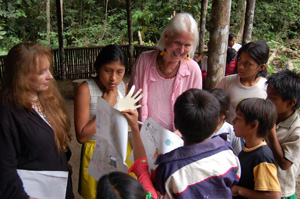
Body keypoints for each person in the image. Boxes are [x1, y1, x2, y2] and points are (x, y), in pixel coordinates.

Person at [0, 43, 74, 198]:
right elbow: (4, 169)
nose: (50, 76)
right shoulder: (7, 113)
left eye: (49, 69)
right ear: (22, 76)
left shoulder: (47, 98)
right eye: (42, 72)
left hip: (58, 188)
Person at [153, 89, 240, 198]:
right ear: (215, 125)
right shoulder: (227, 151)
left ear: (175, 124)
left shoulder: (168, 168)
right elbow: (234, 179)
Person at [129, 13, 202, 133]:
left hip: (178, 142)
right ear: (166, 36)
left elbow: (196, 112)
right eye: (177, 43)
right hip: (145, 137)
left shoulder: (193, 70)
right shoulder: (144, 61)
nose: (182, 50)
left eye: (187, 45)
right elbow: (132, 99)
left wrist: (180, 133)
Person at [74, 45, 128, 199]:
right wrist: (106, 107)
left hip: (120, 149)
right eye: (107, 70)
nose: (113, 78)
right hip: (95, 152)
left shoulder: (123, 87)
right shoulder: (86, 90)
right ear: (98, 68)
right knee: (97, 195)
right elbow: (82, 136)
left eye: (119, 72)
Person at [231, 98, 281, 199]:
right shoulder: (248, 148)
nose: (233, 121)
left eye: (238, 118)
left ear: (253, 125)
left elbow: (274, 196)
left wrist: (239, 190)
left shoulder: (261, 157)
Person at [216, 40, 269, 124]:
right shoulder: (226, 82)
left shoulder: (267, 88)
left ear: (261, 67)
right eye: (239, 59)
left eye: (247, 63)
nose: (240, 66)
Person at [266, 69, 300, 199]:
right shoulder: (271, 115)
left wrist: (272, 132)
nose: (267, 100)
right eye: (267, 95)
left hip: (281, 190)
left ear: (291, 103)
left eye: (272, 98)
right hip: (263, 183)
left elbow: (285, 164)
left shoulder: (296, 131)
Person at [210, 88, 241, 154]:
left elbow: (237, 153)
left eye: (215, 113)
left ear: (225, 114)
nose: (210, 116)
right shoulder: (200, 128)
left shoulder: (231, 131)